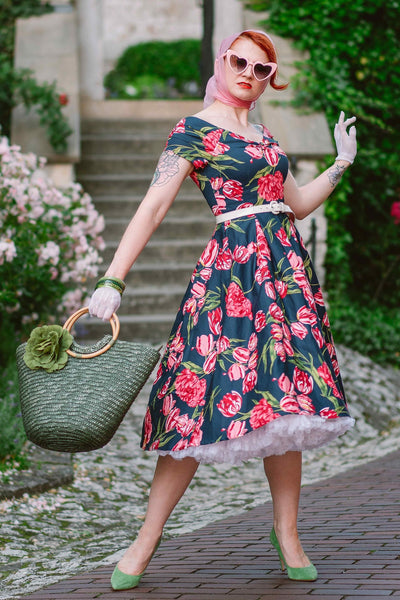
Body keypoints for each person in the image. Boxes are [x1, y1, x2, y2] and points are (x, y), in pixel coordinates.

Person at [89, 29, 357, 591]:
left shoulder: (263, 133)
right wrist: (114, 277)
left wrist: (339, 163)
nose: (249, 75)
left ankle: (287, 532)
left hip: (285, 278)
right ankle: (146, 539)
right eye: (241, 62)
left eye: (262, 70)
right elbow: (155, 205)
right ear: (222, 60)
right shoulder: (193, 130)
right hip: (230, 278)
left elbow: (296, 204)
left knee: (288, 408)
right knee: (194, 402)